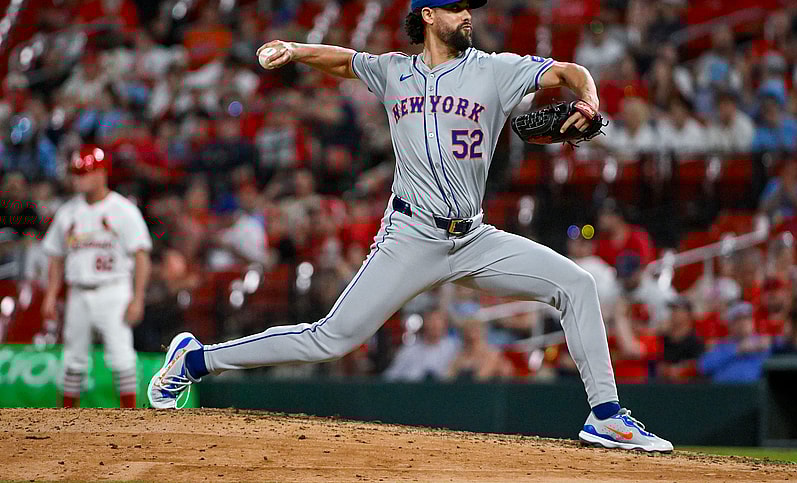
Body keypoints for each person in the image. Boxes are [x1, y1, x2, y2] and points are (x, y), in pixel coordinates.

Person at [148, 0, 673, 453]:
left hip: (473, 237)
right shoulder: (394, 70)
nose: (468, 16)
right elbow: (348, 62)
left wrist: (590, 99)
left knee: (576, 284)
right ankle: (196, 359)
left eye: (469, 8)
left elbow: (567, 71)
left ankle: (606, 417)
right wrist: (296, 48)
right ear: (428, 16)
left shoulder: (495, 69)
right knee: (331, 339)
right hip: (411, 236)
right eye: (456, 8)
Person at [41, 145, 152, 408]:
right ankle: (65, 420)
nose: (78, 178)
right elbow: (56, 256)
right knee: (72, 359)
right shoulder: (67, 212)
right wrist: (50, 295)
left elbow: (141, 256)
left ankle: (131, 416)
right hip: (78, 291)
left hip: (114, 289)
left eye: (85, 171)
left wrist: (137, 298)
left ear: (102, 173)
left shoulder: (123, 210)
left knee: (121, 356)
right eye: (76, 172)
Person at [699, 302, 771, 383]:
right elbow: (704, 366)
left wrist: (769, 343)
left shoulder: (762, 342)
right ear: (730, 325)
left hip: (753, 391)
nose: (743, 323)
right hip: (723, 391)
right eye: (738, 320)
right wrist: (737, 350)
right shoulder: (722, 345)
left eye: (747, 318)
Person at [383, 309, 459, 382]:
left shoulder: (453, 349)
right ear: (425, 324)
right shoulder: (409, 350)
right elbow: (391, 375)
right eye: (431, 321)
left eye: (439, 322)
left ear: (445, 325)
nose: (435, 325)